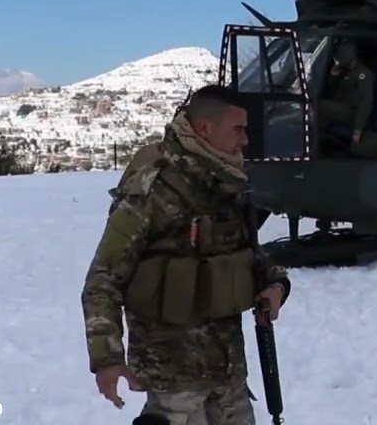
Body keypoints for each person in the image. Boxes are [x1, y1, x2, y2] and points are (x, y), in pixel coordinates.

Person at [82, 84, 292, 425]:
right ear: (205, 128)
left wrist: (276, 286)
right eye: (237, 129)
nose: (245, 140)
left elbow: (252, 257)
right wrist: (107, 358)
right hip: (173, 381)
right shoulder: (152, 191)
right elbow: (103, 279)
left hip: (229, 377)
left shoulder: (229, 185)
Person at [318, 40, 374, 150]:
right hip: (341, 106)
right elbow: (331, 93)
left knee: (319, 106)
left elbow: (365, 102)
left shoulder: (363, 74)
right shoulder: (345, 72)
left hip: (352, 112)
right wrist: (333, 78)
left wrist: (358, 130)